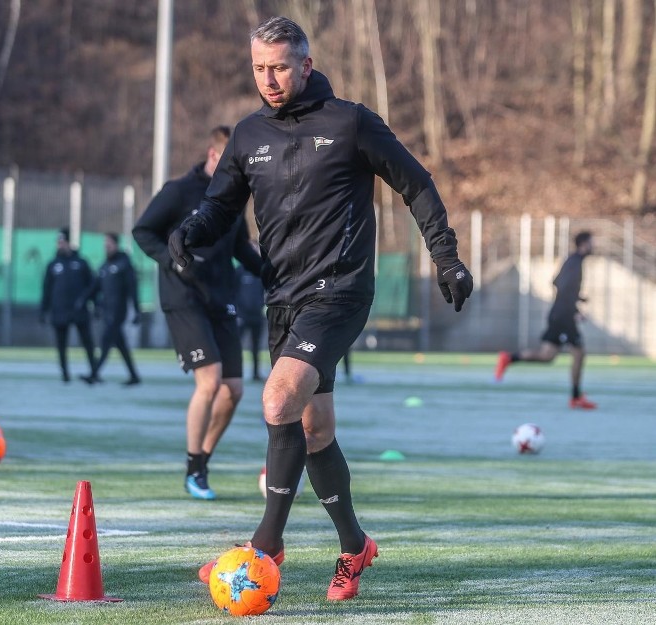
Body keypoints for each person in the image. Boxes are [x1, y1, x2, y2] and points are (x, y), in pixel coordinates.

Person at [169, 17, 473, 601]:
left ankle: (265, 547)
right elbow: (220, 206)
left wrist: (447, 256)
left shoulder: (350, 121)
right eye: (259, 68)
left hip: (340, 292)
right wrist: (191, 231)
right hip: (282, 299)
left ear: (306, 64)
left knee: (278, 398)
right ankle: (354, 546)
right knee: (312, 429)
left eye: (280, 66)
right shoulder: (247, 134)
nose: (269, 79)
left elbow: (416, 183)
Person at [133, 126, 263, 500]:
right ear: (211, 156)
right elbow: (143, 231)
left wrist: (272, 274)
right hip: (183, 297)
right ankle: (193, 468)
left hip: (221, 298)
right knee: (209, 382)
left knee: (234, 390)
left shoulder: (235, 198)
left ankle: (202, 460)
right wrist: (172, 263)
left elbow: (240, 247)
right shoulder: (178, 191)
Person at [495, 231, 596, 409]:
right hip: (564, 315)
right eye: (591, 242)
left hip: (559, 313)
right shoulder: (575, 263)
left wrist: (577, 298)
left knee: (547, 356)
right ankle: (575, 397)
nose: (594, 246)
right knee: (579, 353)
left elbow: (556, 282)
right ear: (583, 244)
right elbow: (562, 287)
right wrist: (574, 310)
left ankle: (509, 358)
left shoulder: (572, 260)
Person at [40, 227, 100, 383]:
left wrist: (94, 304)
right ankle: (65, 374)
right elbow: (46, 289)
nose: (60, 245)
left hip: (79, 310)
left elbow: (92, 286)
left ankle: (94, 371)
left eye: (63, 241)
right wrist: (43, 310)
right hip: (59, 311)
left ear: (68, 242)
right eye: (58, 242)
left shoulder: (81, 262)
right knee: (61, 344)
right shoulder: (53, 265)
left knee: (87, 342)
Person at [93, 233, 141, 385]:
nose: (106, 247)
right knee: (120, 345)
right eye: (105, 244)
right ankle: (134, 376)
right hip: (107, 311)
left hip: (118, 311)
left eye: (109, 244)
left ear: (115, 244)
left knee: (106, 340)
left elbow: (133, 289)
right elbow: (96, 288)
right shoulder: (105, 266)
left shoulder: (124, 264)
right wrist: (91, 303)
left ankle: (94, 373)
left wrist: (137, 310)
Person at [234, 250, 266, 381]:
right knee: (235, 345)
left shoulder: (260, 271)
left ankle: (255, 373)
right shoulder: (239, 270)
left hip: (257, 316)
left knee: (256, 346)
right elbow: (232, 290)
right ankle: (234, 372)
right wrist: (237, 311)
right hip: (241, 315)